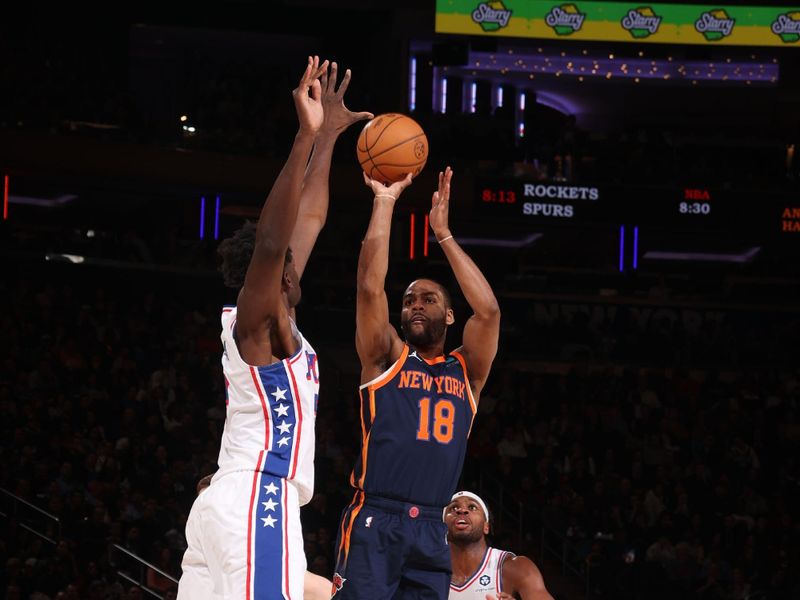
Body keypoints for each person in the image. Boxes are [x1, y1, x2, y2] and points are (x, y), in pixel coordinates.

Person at [177, 56, 372, 600]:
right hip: (258, 501)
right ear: (279, 274)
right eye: (290, 262)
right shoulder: (256, 317)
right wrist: (303, 137)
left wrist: (329, 137)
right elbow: (274, 238)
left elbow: (308, 218)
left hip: (224, 503)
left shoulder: (277, 316)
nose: (297, 261)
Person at [332, 167, 501, 598]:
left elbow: (488, 313)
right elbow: (370, 288)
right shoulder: (386, 355)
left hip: (431, 525)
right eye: (408, 301)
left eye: (429, 299)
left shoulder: (467, 372)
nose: (416, 306)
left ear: (448, 316)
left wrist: (443, 235)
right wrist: (385, 202)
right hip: (376, 516)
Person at [445, 491, 554, 600]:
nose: (461, 510)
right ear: (441, 525)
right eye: (453, 508)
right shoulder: (429, 570)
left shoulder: (515, 567)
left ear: (486, 526)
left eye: (472, 507)